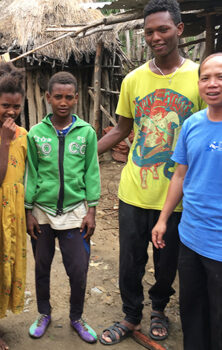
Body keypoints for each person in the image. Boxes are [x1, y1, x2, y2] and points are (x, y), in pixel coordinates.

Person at [98, 0, 206, 345]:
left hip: (176, 195)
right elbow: (120, 130)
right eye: (149, 32)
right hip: (134, 190)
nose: (155, 37)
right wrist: (80, 155)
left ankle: (159, 308)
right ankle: (131, 315)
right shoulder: (133, 80)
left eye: (162, 29)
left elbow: (209, 132)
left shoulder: (199, 78)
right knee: (129, 260)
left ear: (179, 29)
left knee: (166, 261)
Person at [152, 53, 222, 350]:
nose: (212, 84)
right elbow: (180, 175)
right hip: (191, 236)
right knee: (192, 310)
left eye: (219, 77)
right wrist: (163, 219)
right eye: (205, 77)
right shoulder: (192, 123)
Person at [25, 71, 101, 344]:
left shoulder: (86, 133)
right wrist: (28, 212)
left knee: (78, 269)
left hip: (75, 212)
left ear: (77, 98)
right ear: (48, 97)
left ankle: (77, 317)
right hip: (42, 212)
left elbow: (92, 171)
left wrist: (91, 210)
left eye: (69, 97)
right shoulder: (36, 134)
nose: (63, 102)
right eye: (58, 96)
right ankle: (44, 313)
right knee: (42, 266)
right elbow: (31, 173)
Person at [0, 62, 27, 350]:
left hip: (17, 211)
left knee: (11, 262)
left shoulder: (24, 135)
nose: (11, 112)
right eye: (5, 106)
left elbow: (28, 176)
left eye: (16, 106)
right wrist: (6, 142)